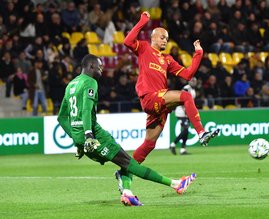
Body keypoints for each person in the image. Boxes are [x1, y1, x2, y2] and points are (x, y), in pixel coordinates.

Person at [57, 54, 196, 207]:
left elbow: (62, 118)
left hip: (83, 142)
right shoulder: (90, 82)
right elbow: (85, 109)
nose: (102, 69)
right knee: (130, 164)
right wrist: (89, 135)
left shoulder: (70, 85)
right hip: (95, 137)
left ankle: (128, 192)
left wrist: (78, 141)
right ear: (90, 66)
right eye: (100, 66)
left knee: (125, 163)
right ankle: (176, 184)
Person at [123, 11, 219, 164]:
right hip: (150, 96)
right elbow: (127, 41)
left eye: (167, 39)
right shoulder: (144, 48)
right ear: (153, 37)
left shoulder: (167, 59)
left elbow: (187, 75)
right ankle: (201, 132)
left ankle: (125, 171)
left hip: (160, 105)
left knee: (149, 144)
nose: (165, 41)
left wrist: (199, 54)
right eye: (162, 37)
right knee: (186, 96)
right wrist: (142, 21)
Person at [170, 77, 198, 155]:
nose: (193, 82)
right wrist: (186, 110)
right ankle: (173, 144)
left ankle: (183, 149)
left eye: (195, 81)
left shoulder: (193, 90)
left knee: (186, 130)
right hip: (181, 112)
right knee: (185, 129)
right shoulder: (186, 88)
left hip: (187, 112)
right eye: (192, 81)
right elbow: (181, 99)